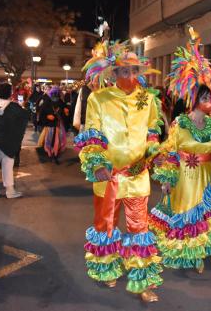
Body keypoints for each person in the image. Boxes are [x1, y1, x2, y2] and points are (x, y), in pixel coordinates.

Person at [76, 42, 164, 302]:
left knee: (139, 228)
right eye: (124, 72)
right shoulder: (98, 99)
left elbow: (152, 132)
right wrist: (98, 165)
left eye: (134, 72)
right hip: (109, 178)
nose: (130, 77)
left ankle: (142, 282)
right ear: (114, 73)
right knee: (106, 226)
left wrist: (151, 155)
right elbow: (91, 135)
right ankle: (106, 269)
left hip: (137, 176)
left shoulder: (148, 99)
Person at [149, 27, 211, 274]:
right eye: (206, 98)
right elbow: (169, 150)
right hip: (184, 178)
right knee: (184, 214)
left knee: (202, 217)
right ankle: (182, 251)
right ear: (195, 99)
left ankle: (197, 254)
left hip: (206, 177)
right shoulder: (180, 123)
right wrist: (166, 178)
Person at [0, 83, 29, 199]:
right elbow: (25, 116)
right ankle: (10, 191)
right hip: (8, 141)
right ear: (9, 92)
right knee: (7, 165)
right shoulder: (13, 107)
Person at [37, 86, 68, 164]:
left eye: (57, 95)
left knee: (58, 141)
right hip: (49, 126)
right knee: (49, 140)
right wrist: (47, 116)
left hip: (58, 125)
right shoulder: (47, 102)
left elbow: (65, 110)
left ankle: (55, 155)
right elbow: (41, 113)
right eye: (54, 95)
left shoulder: (60, 102)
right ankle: (50, 155)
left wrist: (66, 111)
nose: (55, 97)